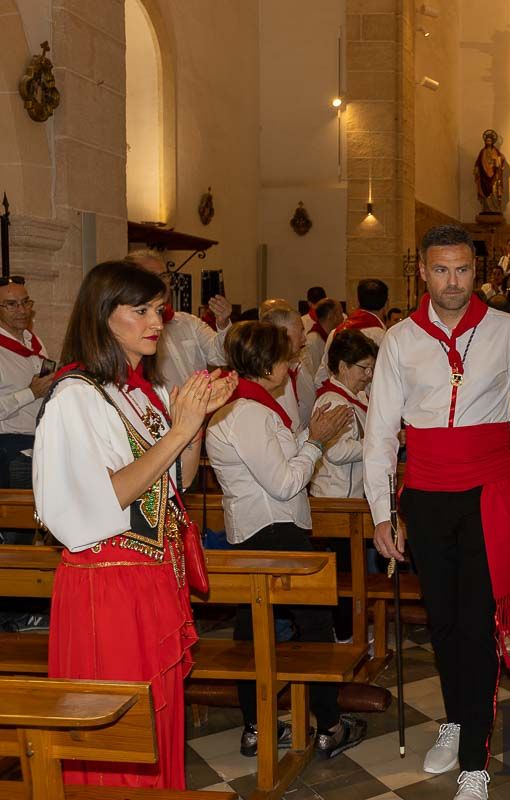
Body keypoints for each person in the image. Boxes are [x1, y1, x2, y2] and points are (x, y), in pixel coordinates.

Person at [34, 260, 236, 789]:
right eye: (141, 309)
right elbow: (101, 501)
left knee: (155, 726)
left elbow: (179, 482)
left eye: (158, 309)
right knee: (117, 735)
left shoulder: (137, 393)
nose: (156, 320)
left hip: (150, 579)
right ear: (105, 316)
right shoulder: (74, 398)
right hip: (107, 585)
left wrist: (197, 423)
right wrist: (179, 430)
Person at [366, 224, 510, 800]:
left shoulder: (505, 330)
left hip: (491, 492)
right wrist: (379, 511)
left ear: (477, 270)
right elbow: (379, 434)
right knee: (442, 621)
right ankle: (455, 715)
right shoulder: (398, 339)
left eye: (463, 270)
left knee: (478, 623)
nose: (452, 282)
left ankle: (475, 759)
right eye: (441, 270)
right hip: (426, 493)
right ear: (422, 272)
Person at [205, 321, 365, 759]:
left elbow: (275, 460)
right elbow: (283, 482)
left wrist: (303, 436)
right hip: (273, 532)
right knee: (311, 631)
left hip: (257, 531)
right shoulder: (249, 413)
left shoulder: (250, 407)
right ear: (266, 363)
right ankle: (328, 726)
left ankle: (259, 727)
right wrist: (316, 441)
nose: (291, 363)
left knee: (251, 632)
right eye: (284, 357)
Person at [126, 250, 234, 392]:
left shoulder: (188, 322)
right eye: (151, 276)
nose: (161, 282)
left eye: (164, 276)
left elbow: (221, 357)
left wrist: (223, 323)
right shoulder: (132, 331)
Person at [310, 329, 377, 499]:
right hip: (336, 497)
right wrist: (376, 443)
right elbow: (335, 450)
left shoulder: (358, 396)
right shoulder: (333, 401)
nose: (368, 376)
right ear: (342, 367)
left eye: (371, 369)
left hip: (350, 494)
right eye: (364, 368)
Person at [0, 276, 51, 491]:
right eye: (11, 304)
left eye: (26, 302)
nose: (22, 310)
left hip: (41, 448)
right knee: (16, 521)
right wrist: (31, 393)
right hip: (11, 451)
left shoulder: (34, 342)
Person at [315, 278, 389, 384]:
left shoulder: (335, 332)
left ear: (358, 302)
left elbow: (321, 378)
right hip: (368, 400)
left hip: (339, 395)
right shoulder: (382, 337)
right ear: (386, 304)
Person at [262, 303, 316, 431]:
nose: (304, 338)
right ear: (282, 333)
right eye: (301, 331)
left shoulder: (291, 365)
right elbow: (289, 429)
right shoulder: (270, 375)